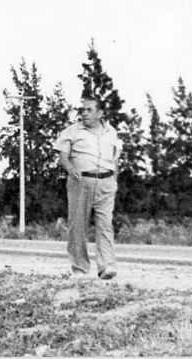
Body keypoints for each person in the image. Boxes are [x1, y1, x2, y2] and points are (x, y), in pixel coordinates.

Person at [54, 98, 121, 280]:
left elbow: (115, 158)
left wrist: (114, 179)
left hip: (106, 183)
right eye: (82, 110)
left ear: (100, 113)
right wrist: (70, 169)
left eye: (89, 110)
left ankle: (106, 266)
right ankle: (80, 268)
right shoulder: (72, 131)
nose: (84, 113)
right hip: (81, 182)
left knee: (105, 225)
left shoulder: (111, 132)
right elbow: (62, 156)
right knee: (78, 226)